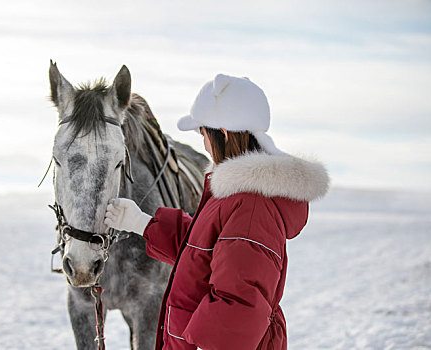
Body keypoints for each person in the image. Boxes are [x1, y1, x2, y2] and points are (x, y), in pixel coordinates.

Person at [104, 74, 330, 350]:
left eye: (203, 134)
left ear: (222, 133)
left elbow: (237, 308)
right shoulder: (237, 196)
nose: (204, 144)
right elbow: (204, 252)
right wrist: (143, 224)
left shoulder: (251, 207)